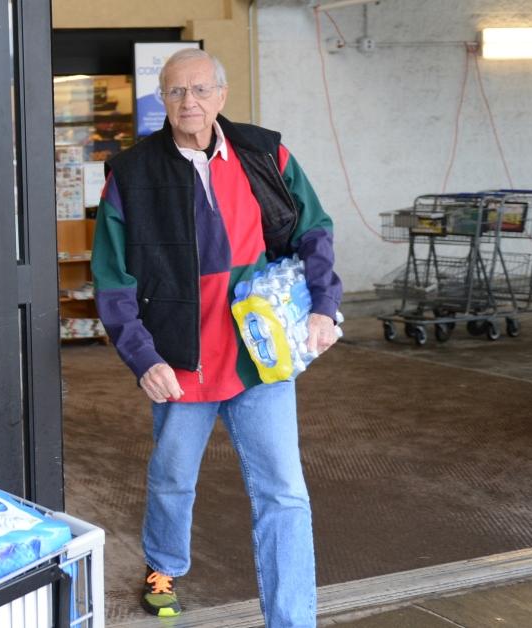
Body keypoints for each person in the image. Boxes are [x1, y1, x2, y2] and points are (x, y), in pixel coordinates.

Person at [91, 49, 341, 627]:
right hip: (181, 358)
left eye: (201, 91)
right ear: (162, 101)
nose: (190, 103)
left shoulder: (264, 153)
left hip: (260, 357)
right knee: (173, 478)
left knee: (284, 492)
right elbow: (113, 279)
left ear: (221, 96)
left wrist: (324, 306)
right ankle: (163, 565)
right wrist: (141, 355)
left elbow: (314, 229)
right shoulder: (131, 174)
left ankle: (292, 617)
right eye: (176, 93)